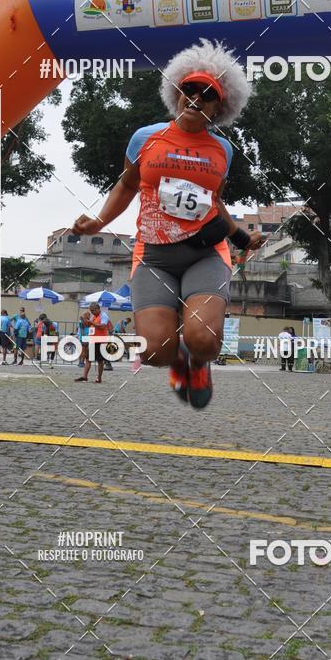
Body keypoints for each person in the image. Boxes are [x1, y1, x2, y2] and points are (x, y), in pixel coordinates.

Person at [72, 39, 264, 409]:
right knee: (155, 351)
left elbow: (214, 203)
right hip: (154, 256)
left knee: (204, 338)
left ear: (218, 107)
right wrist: (98, 221)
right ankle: (178, 361)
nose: (196, 97)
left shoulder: (222, 150)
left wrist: (240, 237)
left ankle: (197, 361)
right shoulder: (146, 138)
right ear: (176, 91)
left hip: (204, 253)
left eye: (207, 94)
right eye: (188, 88)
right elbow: (127, 185)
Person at [75, 302, 110, 383]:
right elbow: (88, 325)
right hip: (92, 340)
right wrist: (84, 320)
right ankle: (84, 377)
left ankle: (99, 378)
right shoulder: (94, 316)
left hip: (100, 341)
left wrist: (92, 323)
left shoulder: (103, 316)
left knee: (100, 360)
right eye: (91, 311)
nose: (92, 312)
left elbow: (103, 326)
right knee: (88, 359)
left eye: (93, 310)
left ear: (98, 309)